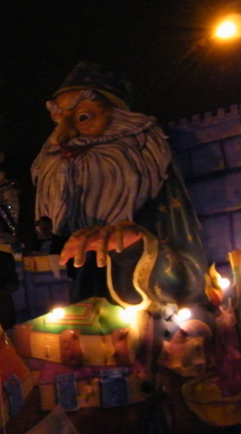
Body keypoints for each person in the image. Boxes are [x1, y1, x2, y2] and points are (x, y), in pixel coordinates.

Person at [31, 62, 207, 308]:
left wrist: (135, 245)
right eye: (57, 121)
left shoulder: (156, 186)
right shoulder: (76, 215)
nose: (61, 137)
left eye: (84, 117)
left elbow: (189, 280)